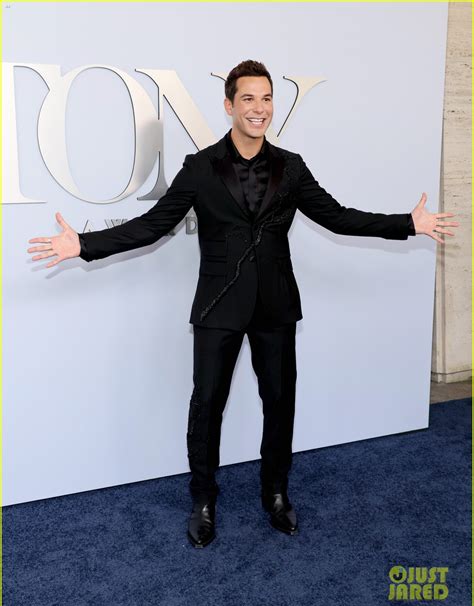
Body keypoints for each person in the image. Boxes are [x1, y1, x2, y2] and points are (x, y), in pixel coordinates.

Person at [28, 60, 458, 549]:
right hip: (217, 306)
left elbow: (337, 218)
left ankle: (275, 493)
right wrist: (82, 245)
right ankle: (203, 500)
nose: (260, 108)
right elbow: (151, 226)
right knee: (206, 405)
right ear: (230, 105)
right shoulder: (199, 168)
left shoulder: (291, 167)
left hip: (276, 305)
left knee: (280, 403)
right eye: (249, 99)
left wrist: (407, 223)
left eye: (267, 98)